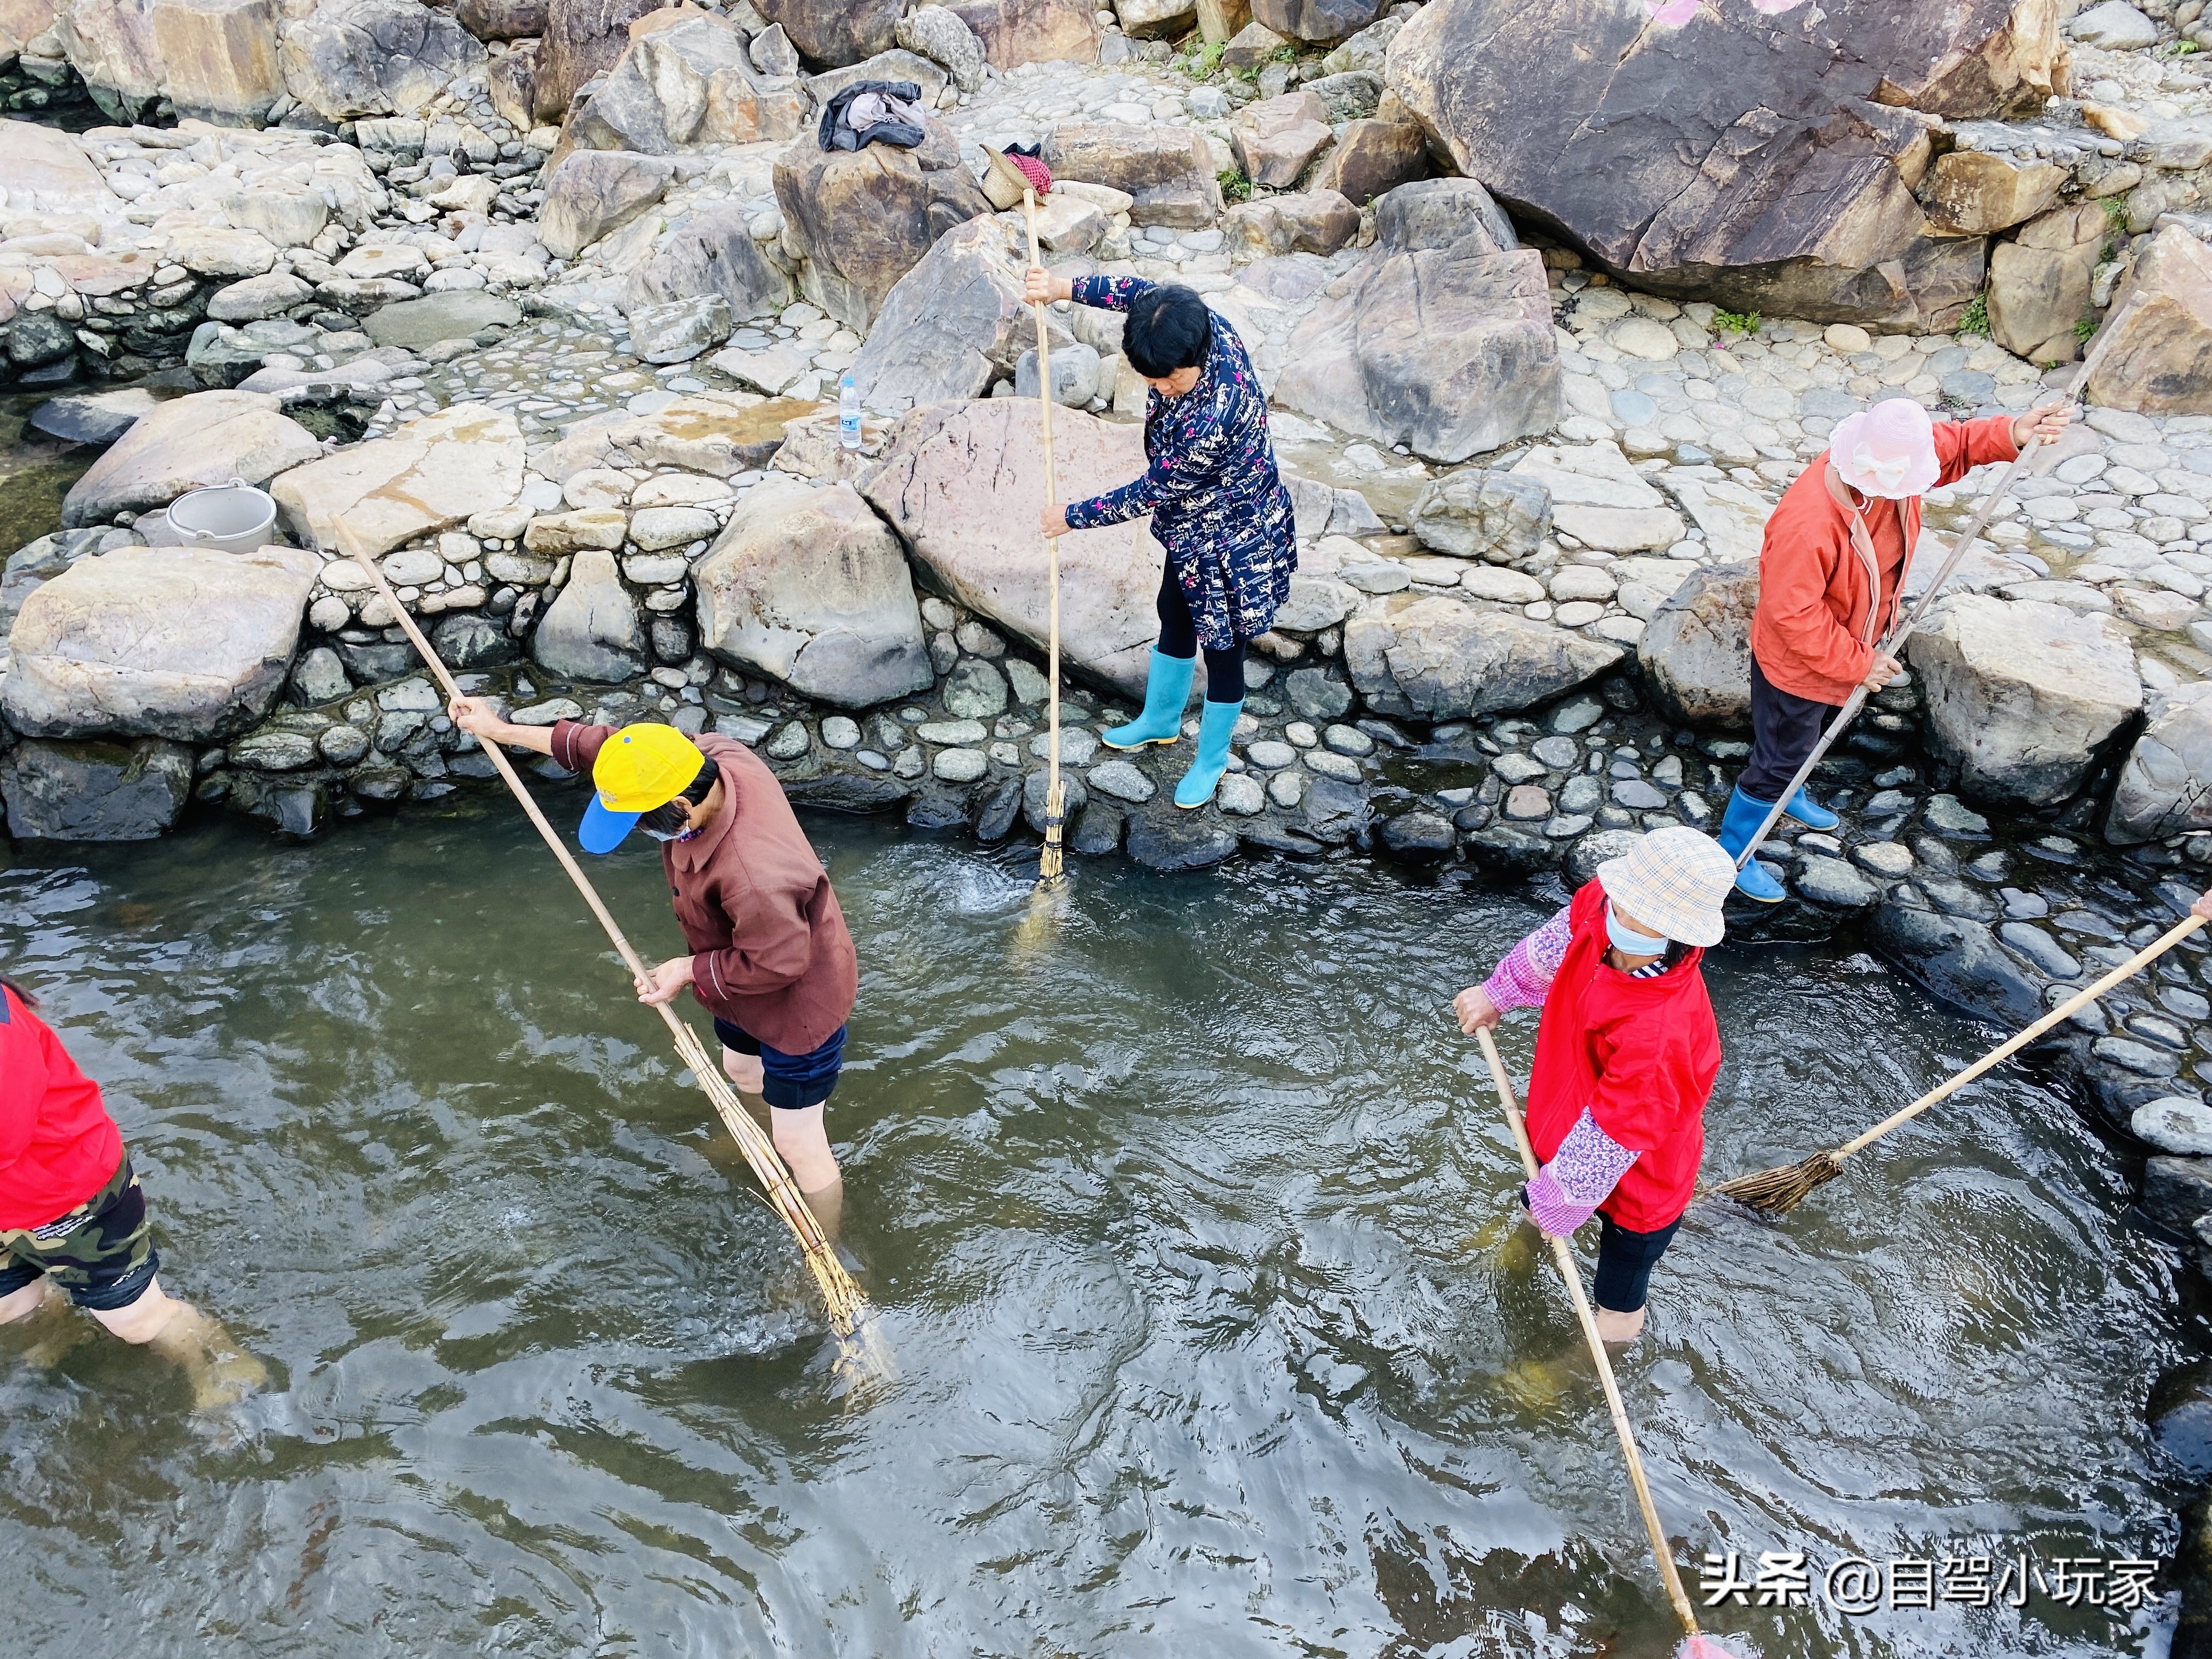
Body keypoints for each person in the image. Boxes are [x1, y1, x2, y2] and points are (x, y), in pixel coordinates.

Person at [447, 703, 858, 1231]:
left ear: (681, 807)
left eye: (640, 823)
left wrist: (688, 970)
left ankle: (827, 1244)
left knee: (799, 1141)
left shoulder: (751, 874)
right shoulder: (706, 758)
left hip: (796, 999)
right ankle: (754, 1139)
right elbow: (610, 747)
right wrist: (498, 730)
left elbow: (780, 961)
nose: (640, 834)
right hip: (737, 976)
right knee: (739, 1070)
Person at [1719, 395, 2077, 901]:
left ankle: (1791, 792)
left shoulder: (1893, 448)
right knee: (1779, 755)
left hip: (1847, 644)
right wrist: (1860, 663)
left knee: (1809, 734)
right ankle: (1735, 852)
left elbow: (1953, 444)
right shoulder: (1807, 525)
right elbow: (1791, 616)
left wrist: (2015, 431)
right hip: (1795, 666)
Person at [1025, 264, 1297, 809]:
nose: (1157, 387)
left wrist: (1070, 516)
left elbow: (1151, 491)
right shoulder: (1184, 318)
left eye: (1166, 379)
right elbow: (1131, 292)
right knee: (1173, 609)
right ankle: (1160, 719)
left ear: (1194, 358)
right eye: (1150, 377)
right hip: (1190, 529)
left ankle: (1212, 760)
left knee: (1223, 647)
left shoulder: (1217, 414)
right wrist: (1061, 287)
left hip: (1232, 537)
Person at [1453, 828, 1738, 1345]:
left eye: (1632, 903)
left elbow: (1615, 1135)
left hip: (1642, 1177)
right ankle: (1523, 1243)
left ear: (1670, 930)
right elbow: (1555, 942)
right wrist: (1500, 991)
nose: (1613, 904)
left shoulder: (1660, 1032)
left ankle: (1580, 1368)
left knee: (1618, 1298)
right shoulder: (1603, 907)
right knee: (1536, 1198)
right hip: (1567, 1117)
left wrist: (1562, 1199)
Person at [0, 975, 265, 1410]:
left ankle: (222, 1365)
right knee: (12, 1303)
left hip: (69, 1197)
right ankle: (60, 1332)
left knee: (137, 1320)